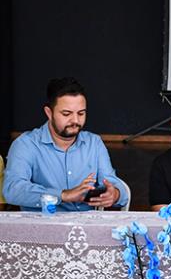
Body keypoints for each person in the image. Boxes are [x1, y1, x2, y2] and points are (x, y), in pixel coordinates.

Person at [3, 77, 128, 211]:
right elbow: (13, 189)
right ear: (49, 113)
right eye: (66, 114)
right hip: (43, 227)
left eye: (81, 113)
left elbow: (113, 183)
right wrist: (63, 195)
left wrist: (115, 194)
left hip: (86, 227)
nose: (75, 120)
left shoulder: (94, 143)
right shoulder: (26, 144)